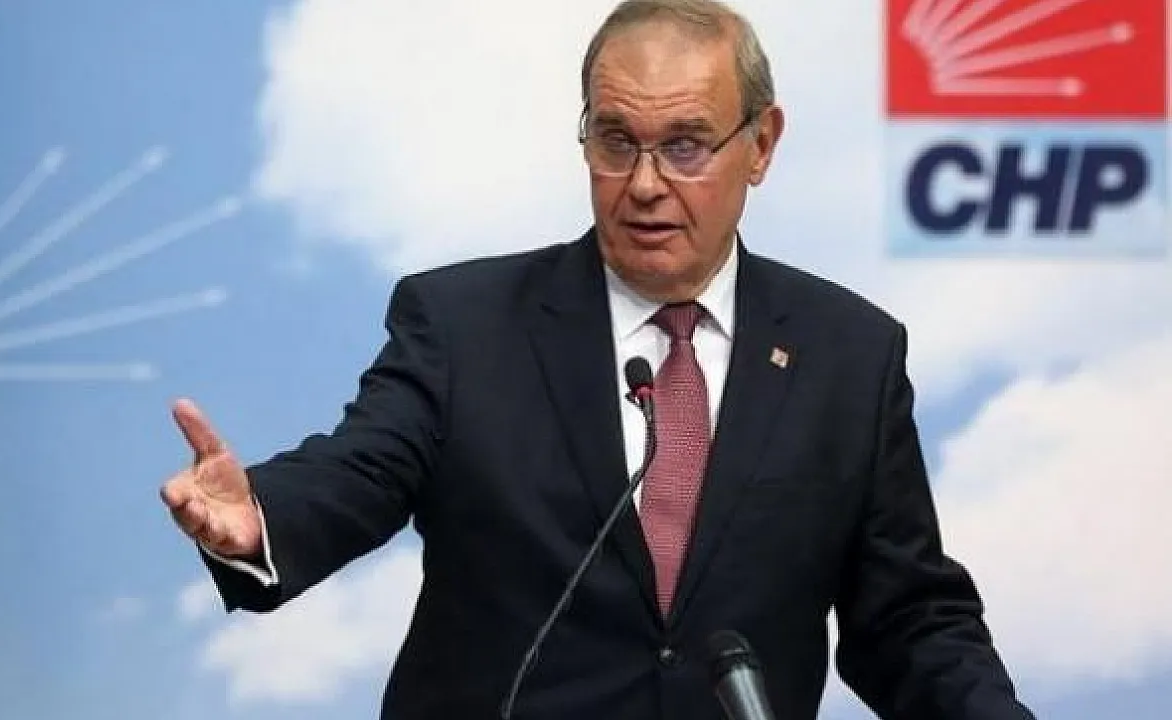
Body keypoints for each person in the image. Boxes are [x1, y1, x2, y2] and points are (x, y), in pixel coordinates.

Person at [160, 1, 1036, 718]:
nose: (645, 184)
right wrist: (261, 521)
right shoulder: (464, 326)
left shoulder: (850, 355)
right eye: (616, 141)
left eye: (685, 145)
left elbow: (908, 621)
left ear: (761, 145)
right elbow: (361, 469)